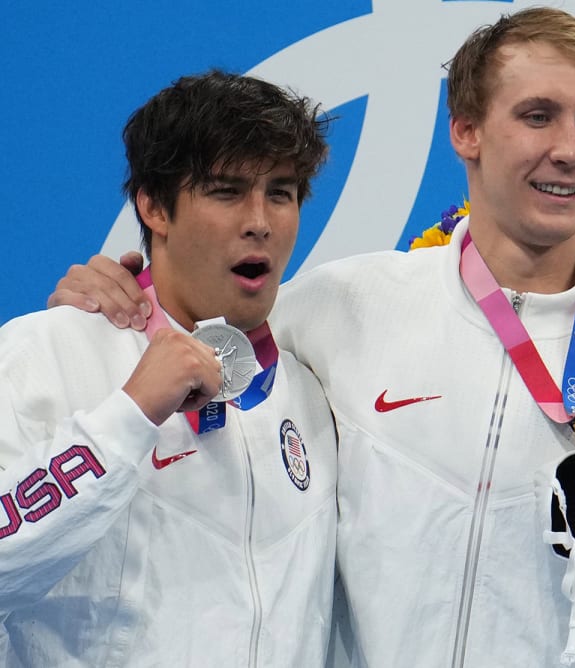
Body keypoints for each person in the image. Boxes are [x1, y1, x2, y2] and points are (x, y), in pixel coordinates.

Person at [48, 9, 575, 667]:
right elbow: (191, 325)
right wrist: (114, 300)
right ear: (466, 131)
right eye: (537, 116)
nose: (570, 150)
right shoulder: (335, 308)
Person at [0, 70, 336, 665]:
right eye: (227, 191)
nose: (259, 219)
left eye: (281, 192)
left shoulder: (310, 392)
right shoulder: (44, 354)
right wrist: (126, 420)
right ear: (153, 206)